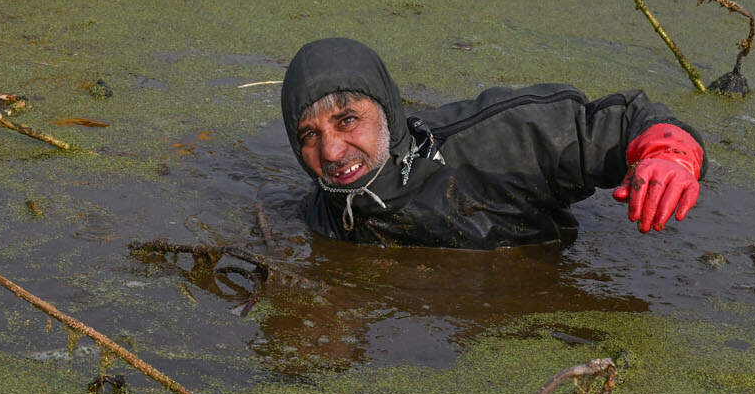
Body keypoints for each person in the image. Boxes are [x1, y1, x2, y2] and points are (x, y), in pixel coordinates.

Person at [282, 37, 706, 249]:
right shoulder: (321, 216)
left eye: (348, 120)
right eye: (310, 136)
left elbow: (620, 121)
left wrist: (670, 155)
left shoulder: (496, 138)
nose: (333, 152)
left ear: (388, 111)